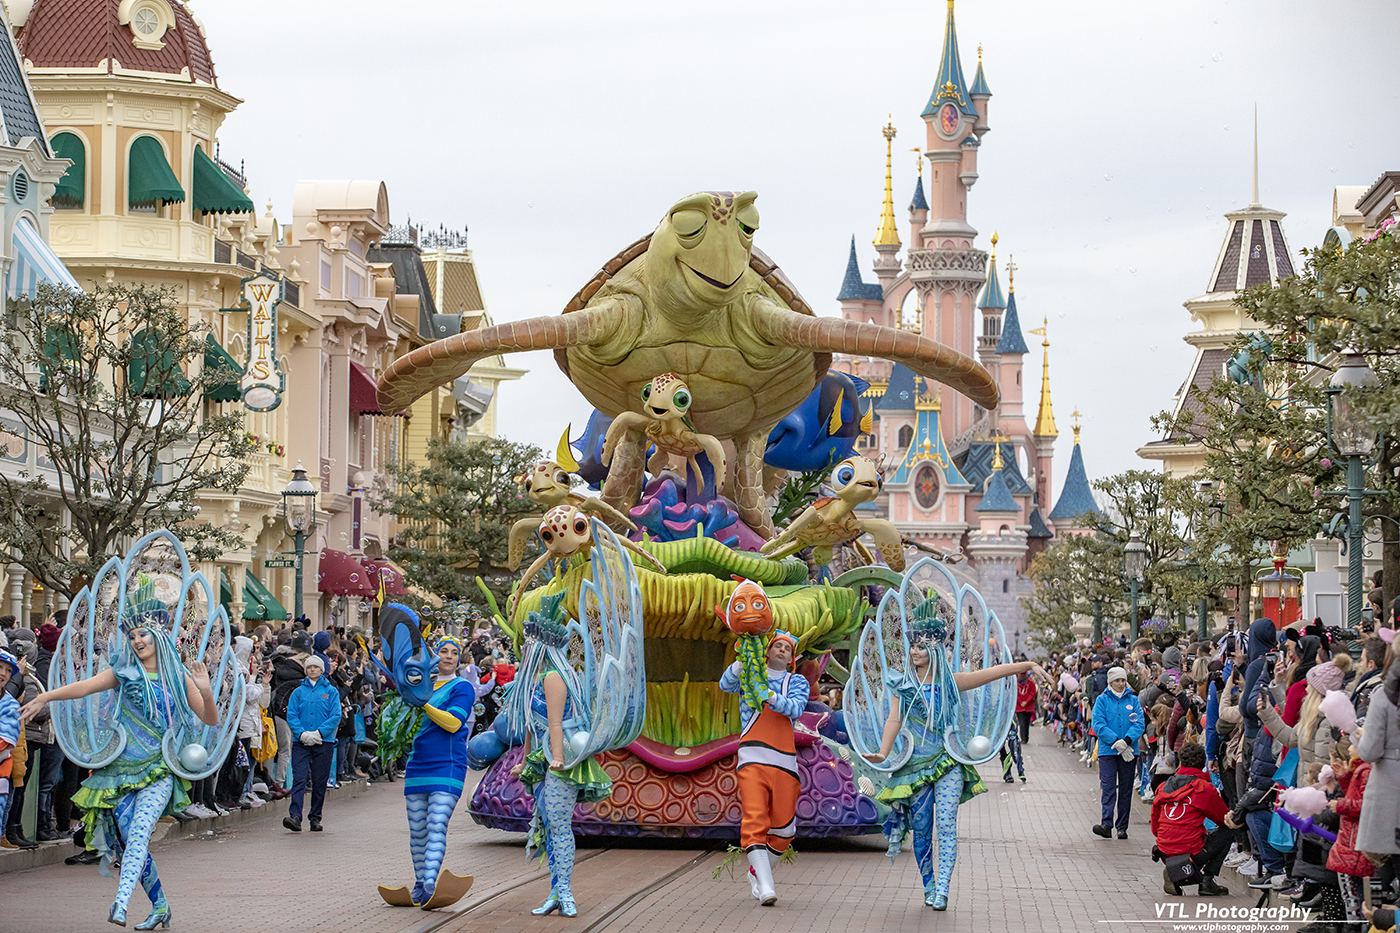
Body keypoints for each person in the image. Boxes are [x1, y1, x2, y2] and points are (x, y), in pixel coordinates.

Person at [20, 596, 227, 929]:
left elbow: (209, 719)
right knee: (132, 840)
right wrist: (44, 696)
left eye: (143, 634)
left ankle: (121, 901)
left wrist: (204, 691)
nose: (137, 641)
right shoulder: (124, 672)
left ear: (157, 636)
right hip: (119, 773)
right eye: (132, 636)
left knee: (140, 833)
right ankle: (160, 906)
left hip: (158, 770)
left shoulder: (178, 676)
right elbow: (84, 688)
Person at [860, 599, 1047, 910]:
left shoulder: (951, 683)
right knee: (922, 831)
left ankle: (943, 888)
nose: (915, 651)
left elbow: (991, 673)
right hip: (915, 767)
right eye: (913, 646)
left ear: (934, 649)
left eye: (921, 646)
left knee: (946, 825)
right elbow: (894, 719)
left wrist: (1027, 666)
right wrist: (883, 751)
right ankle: (929, 885)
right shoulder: (902, 685)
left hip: (948, 763)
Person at [718, 599, 807, 908]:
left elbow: (795, 708)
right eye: (777, 646)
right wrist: (742, 661)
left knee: (785, 830)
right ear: (767, 651)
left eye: (787, 649)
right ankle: (767, 887)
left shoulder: (796, 682)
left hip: (784, 761)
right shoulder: (749, 673)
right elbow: (725, 684)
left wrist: (767, 694)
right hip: (753, 757)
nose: (781, 650)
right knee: (754, 819)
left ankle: (757, 873)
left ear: (792, 659)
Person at [397, 632, 491, 906]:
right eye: (443, 651)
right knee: (418, 831)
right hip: (417, 764)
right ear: (434, 656)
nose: (449, 656)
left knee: (436, 824)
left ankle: (430, 883)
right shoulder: (417, 685)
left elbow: (453, 723)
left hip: (448, 765)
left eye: (454, 652)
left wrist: (422, 703)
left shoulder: (462, 687)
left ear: (459, 658)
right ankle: (419, 884)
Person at [1152, 741, 1238, 897]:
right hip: (1190, 851)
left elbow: (1155, 826)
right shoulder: (1203, 788)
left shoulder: (1163, 786)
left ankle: (1173, 869)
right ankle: (1207, 881)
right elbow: (1223, 818)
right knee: (1228, 829)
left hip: (1164, 850)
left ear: (1181, 761)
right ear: (1202, 763)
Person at [282, 654, 339, 833]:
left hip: (324, 742)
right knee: (299, 778)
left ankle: (315, 817)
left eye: (315, 667)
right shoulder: (298, 692)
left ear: (321, 670)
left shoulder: (331, 691)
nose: (312, 670)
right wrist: (302, 734)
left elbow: (335, 715)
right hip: (301, 742)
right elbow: (292, 714)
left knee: (319, 781)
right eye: (309, 667)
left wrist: (320, 733)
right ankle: (295, 816)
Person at [1356, 656, 1400, 883]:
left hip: (1392, 785)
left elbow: (1370, 750)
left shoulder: (1385, 695)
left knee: (1393, 853)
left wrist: (1361, 737)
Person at [1091, 666, 1145, 840]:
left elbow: (1139, 723)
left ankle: (1122, 826)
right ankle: (1106, 824)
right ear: (1110, 682)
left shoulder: (1134, 700)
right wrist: (1115, 741)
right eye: (1117, 681)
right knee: (1108, 787)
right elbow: (1098, 724)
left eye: (1123, 680)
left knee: (1126, 788)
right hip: (1108, 750)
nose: (1121, 684)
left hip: (1129, 750)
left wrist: (1127, 741)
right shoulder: (1102, 700)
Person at [1015, 669, 1036, 745]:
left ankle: (1023, 738)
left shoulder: (1016, 682)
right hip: (1028, 706)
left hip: (1019, 707)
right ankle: (1026, 738)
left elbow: (1015, 693)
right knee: (1027, 722)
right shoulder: (1031, 682)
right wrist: (1026, 702)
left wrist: (1020, 702)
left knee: (1021, 722)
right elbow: (1033, 693)